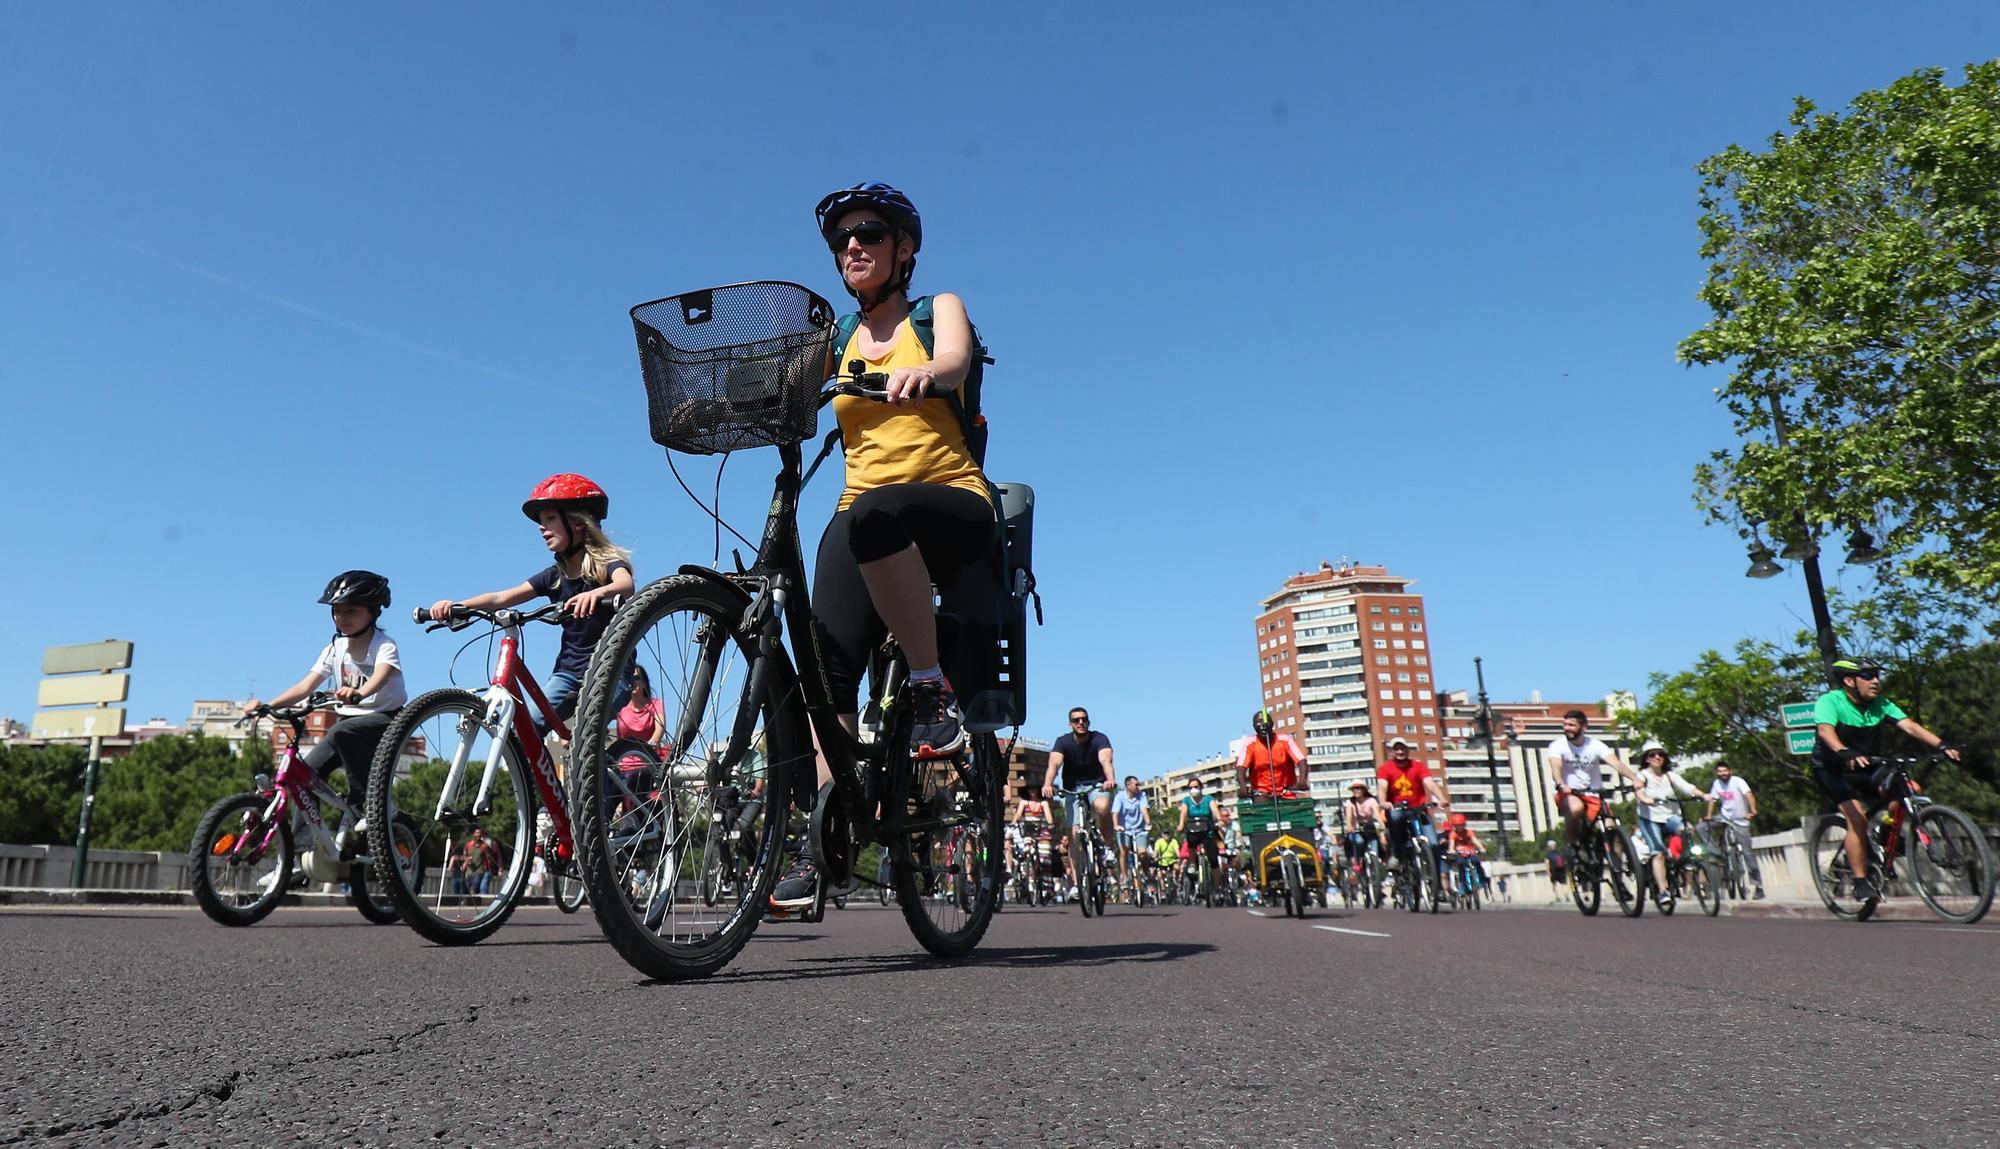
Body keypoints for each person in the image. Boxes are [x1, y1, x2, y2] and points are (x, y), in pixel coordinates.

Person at [772, 185, 1001, 914]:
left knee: (873, 513)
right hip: (861, 511)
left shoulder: (938, 311)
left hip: (952, 500)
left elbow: (958, 362)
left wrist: (924, 373)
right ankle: (828, 837)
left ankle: (930, 683)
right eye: (841, 239)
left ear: (904, 249)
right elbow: (785, 392)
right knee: (824, 662)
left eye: (868, 232)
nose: (853, 247)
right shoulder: (837, 336)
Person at [426, 473, 635, 733]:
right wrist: (457, 607)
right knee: (528, 727)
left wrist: (597, 593)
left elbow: (626, 586)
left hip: (612, 669)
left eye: (549, 519)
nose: (541, 527)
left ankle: (597, 772)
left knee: (588, 726)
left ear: (578, 524)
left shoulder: (605, 563)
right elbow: (500, 598)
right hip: (568, 674)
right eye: (540, 521)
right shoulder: (554, 577)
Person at [242, 571, 404, 846]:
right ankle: (301, 855)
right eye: (336, 612)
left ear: (374, 612)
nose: (342, 618)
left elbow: (382, 675)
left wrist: (360, 692)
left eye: (351, 610)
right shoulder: (335, 648)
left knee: (342, 731)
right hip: (348, 725)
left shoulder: (383, 645)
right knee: (304, 775)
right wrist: (268, 705)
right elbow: (305, 686)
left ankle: (371, 804)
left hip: (386, 721)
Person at [1811, 657, 1961, 904]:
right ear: (1849, 681)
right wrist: (1843, 751)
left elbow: (1910, 726)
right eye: (1868, 676)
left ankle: (1887, 831)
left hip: (1867, 765)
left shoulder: (1881, 704)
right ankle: (1860, 882)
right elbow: (1825, 731)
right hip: (1832, 769)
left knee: (1910, 789)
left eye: (1877, 675)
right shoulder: (1830, 701)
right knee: (1857, 819)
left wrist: (1942, 745)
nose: (1876, 681)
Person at [1548, 711, 1644, 863]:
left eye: (1571, 725)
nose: (1567, 728)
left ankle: (1618, 871)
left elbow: (1616, 763)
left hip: (1593, 794)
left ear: (1584, 727)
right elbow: (1556, 766)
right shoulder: (1557, 745)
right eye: (1565, 725)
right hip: (1569, 792)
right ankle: (1574, 844)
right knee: (1576, 808)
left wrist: (1634, 779)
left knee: (1612, 828)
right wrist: (1561, 783)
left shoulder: (1595, 745)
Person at [1043, 707, 1117, 890]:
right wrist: (1048, 784)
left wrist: (1110, 780)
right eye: (1076, 720)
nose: (1081, 722)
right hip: (1073, 789)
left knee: (1102, 807)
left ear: (1089, 722)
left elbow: (1106, 760)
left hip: (1097, 785)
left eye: (1084, 719)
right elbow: (1054, 764)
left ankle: (1107, 849)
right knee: (1075, 836)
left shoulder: (1099, 738)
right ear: (1070, 724)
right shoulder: (1063, 742)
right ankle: (1077, 884)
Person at [1632, 741, 1703, 910]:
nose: (1657, 757)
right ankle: (1663, 891)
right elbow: (1638, 789)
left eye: (1660, 754)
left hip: (1670, 816)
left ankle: (1687, 860)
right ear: (1646, 759)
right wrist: (1645, 799)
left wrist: (1704, 795)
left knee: (1688, 829)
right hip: (1650, 819)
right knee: (1658, 854)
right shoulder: (1642, 775)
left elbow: (1688, 787)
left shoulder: (1670, 776)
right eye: (1652, 755)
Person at [1376, 740, 1449, 872]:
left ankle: (1436, 880)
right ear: (1391, 752)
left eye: (1402, 748)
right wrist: (1383, 802)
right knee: (1395, 818)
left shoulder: (1418, 766)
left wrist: (1441, 798)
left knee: (1433, 844)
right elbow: (1382, 786)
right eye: (1396, 749)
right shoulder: (1385, 768)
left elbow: (1429, 783)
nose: (1400, 752)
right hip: (1396, 808)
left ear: (1407, 750)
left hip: (1418, 809)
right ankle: (1398, 854)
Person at [1703, 761, 1765, 899]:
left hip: (1740, 819)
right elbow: (1712, 800)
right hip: (1724, 818)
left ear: (1730, 771)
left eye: (1725, 771)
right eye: (1719, 771)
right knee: (1701, 827)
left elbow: (1749, 795)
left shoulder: (1738, 781)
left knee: (1748, 854)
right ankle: (1716, 853)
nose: (1722, 774)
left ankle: (1758, 886)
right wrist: (1708, 816)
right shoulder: (1716, 784)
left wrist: (1752, 810)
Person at [1238, 709, 1308, 797]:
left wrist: (1302, 781)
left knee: (1294, 809)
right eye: (1258, 722)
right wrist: (1242, 786)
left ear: (1272, 724)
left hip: (1286, 791)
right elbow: (1241, 767)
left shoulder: (1285, 740)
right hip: (1261, 792)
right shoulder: (1250, 743)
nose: (1262, 725)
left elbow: (1301, 760)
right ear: (1254, 726)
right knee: (1263, 808)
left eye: (1265, 721)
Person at [1176, 778, 1221, 900]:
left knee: (1213, 860)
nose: (1193, 790)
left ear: (1201, 787)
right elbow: (1183, 813)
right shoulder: (1186, 801)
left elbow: (1215, 810)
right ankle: (1192, 864)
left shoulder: (1208, 799)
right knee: (1190, 842)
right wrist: (1181, 824)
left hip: (1208, 831)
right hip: (1193, 830)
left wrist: (1219, 819)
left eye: (1196, 787)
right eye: (1190, 788)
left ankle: (1217, 888)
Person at [1340, 779, 1385, 892]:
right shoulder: (1350, 802)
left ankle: (1376, 877)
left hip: (1369, 831)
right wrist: (1349, 826)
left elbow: (1377, 813)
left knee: (1375, 850)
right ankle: (1358, 862)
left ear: (1364, 790)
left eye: (1359, 788)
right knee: (1359, 842)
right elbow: (1349, 815)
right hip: (1356, 831)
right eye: (1355, 788)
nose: (1357, 790)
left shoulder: (1371, 801)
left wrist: (1382, 824)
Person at [1110, 776, 1150, 896]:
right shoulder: (1119, 797)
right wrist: (1116, 825)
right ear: (1128, 786)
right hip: (1124, 830)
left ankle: (1145, 872)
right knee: (1124, 851)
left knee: (1142, 853)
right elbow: (1115, 812)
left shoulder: (1141, 796)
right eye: (1136, 785)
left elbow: (1144, 811)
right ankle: (1125, 877)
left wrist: (1148, 822)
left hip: (1139, 830)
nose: (1138, 787)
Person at [1441, 812, 1488, 894]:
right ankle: (1462, 884)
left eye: (1461, 825)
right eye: (1457, 825)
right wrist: (1451, 850)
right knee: (1460, 866)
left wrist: (1481, 848)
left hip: (1470, 851)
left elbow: (1474, 840)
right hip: (1460, 854)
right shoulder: (1453, 834)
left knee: (1477, 863)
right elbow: (1451, 844)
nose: (1460, 827)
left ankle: (1482, 880)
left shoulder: (1469, 832)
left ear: (1464, 824)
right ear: (1454, 826)